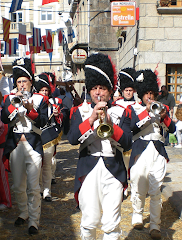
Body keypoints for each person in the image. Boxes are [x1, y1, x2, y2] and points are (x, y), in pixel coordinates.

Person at [68, 53, 132, 240]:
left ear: (110, 91)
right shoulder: (80, 111)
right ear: (89, 90)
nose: (98, 93)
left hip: (114, 170)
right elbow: (72, 138)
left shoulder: (122, 111)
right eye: (94, 88)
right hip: (89, 168)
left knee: (112, 225)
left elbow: (127, 142)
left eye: (102, 88)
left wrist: (111, 125)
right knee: (89, 222)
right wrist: (91, 119)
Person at [1, 57, 48, 235]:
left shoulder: (40, 99)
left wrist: (30, 110)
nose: (22, 85)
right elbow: (5, 118)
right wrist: (16, 104)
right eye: (19, 81)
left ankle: (34, 221)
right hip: (15, 146)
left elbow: (43, 121)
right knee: (18, 186)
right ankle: (23, 213)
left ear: (30, 82)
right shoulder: (9, 98)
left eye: (25, 81)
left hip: (33, 144)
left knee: (33, 186)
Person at [129, 69, 176, 240]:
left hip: (157, 150)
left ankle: (155, 225)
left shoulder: (162, 108)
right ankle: (137, 215)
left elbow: (172, 130)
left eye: (152, 93)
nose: (149, 97)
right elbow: (132, 128)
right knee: (139, 187)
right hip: (140, 150)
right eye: (146, 94)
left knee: (156, 191)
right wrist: (147, 111)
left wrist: (163, 117)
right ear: (141, 94)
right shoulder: (133, 109)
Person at [34, 73, 67, 201]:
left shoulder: (55, 103)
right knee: (37, 166)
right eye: (42, 90)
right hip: (35, 137)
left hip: (48, 137)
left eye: (46, 90)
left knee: (47, 165)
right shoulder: (33, 101)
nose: (44, 93)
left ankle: (47, 191)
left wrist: (57, 114)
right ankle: (39, 188)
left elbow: (60, 120)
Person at [0, 101, 12, 210]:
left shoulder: (1, 111)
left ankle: (6, 201)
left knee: (2, 175)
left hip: (0, 146)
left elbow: (4, 129)